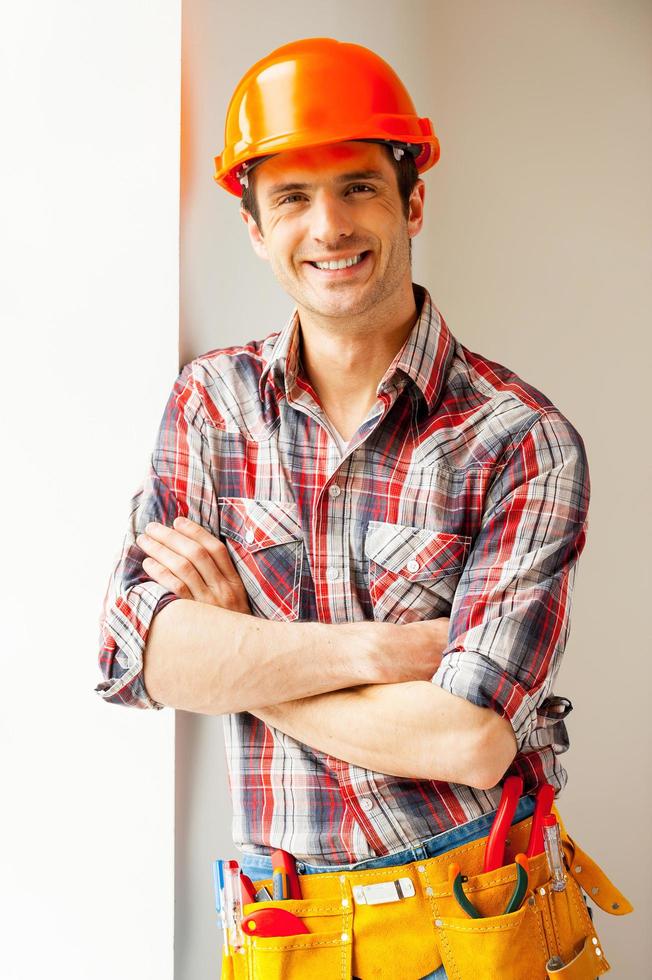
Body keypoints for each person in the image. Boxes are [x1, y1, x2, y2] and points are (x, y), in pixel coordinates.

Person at [95, 38, 615, 979]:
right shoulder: (210, 407)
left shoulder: (518, 440)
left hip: (481, 909)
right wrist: (368, 652)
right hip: (284, 927)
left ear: (412, 200)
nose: (328, 225)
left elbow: (467, 740)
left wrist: (242, 649)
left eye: (358, 187)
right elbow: (142, 657)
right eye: (291, 197)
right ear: (256, 227)